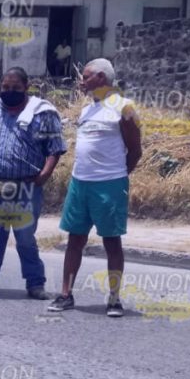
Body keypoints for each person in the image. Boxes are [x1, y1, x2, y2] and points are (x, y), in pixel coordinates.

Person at [49, 58, 142, 317]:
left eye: (86, 76)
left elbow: (135, 150)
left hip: (110, 185)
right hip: (80, 184)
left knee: (111, 241)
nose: (81, 80)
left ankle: (114, 299)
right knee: (74, 239)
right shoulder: (86, 110)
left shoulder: (124, 107)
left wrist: (116, 176)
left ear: (101, 78)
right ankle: (65, 294)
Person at [0, 67, 66, 299]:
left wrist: (45, 174)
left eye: (15, 88)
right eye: (5, 88)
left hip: (26, 188)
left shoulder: (42, 113)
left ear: (26, 87)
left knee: (25, 238)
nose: (10, 92)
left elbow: (55, 149)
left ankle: (35, 284)